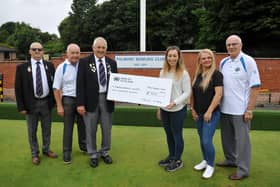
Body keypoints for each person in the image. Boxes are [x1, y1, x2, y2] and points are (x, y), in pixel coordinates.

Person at [217, 35, 261, 180]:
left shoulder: (248, 61)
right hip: (224, 109)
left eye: (234, 44)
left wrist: (249, 109)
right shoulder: (223, 62)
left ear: (241, 45)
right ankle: (231, 160)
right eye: (228, 44)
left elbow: (255, 87)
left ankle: (243, 170)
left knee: (242, 142)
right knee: (227, 139)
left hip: (241, 111)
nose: (231, 47)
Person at [76, 37, 118, 168]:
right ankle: (93, 154)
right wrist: (80, 103)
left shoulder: (112, 63)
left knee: (107, 129)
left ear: (106, 49)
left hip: (107, 100)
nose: (101, 50)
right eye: (98, 47)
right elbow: (80, 84)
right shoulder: (84, 62)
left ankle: (105, 152)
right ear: (93, 48)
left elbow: (117, 82)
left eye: (103, 47)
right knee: (90, 129)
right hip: (90, 101)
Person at [15, 42, 58, 165]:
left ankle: (46, 149)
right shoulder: (22, 68)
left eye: (40, 49)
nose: (37, 51)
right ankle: (35, 154)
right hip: (30, 104)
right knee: (32, 130)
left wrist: (55, 102)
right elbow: (18, 88)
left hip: (46, 103)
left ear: (43, 51)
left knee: (47, 129)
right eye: (34, 49)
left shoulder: (50, 66)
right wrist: (21, 106)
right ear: (30, 51)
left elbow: (54, 85)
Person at [157, 46, 191, 172]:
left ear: (178, 57)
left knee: (177, 135)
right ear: (166, 57)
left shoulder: (184, 73)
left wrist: (175, 102)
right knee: (169, 134)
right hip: (165, 110)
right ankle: (171, 156)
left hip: (178, 110)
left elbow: (187, 92)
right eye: (169, 56)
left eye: (174, 56)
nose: (172, 58)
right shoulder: (162, 72)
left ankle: (177, 160)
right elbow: (159, 91)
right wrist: (159, 108)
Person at [190, 49, 223, 179]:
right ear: (200, 60)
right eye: (204, 58)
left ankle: (210, 165)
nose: (207, 60)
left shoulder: (216, 74)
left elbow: (219, 94)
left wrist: (209, 111)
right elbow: (193, 94)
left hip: (211, 113)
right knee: (202, 140)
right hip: (198, 113)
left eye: (209, 57)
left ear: (212, 59)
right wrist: (192, 109)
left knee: (206, 140)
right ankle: (205, 160)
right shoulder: (198, 75)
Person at [53, 43, 87, 164]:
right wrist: (59, 105)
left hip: (82, 100)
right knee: (68, 127)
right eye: (72, 53)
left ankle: (84, 147)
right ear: (67, 54)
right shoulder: (61, 67)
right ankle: (67, 152)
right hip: (68, 100)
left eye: (77, 53)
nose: (75, 55)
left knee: (83, 126)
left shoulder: (84, 65)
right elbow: (56, 88)